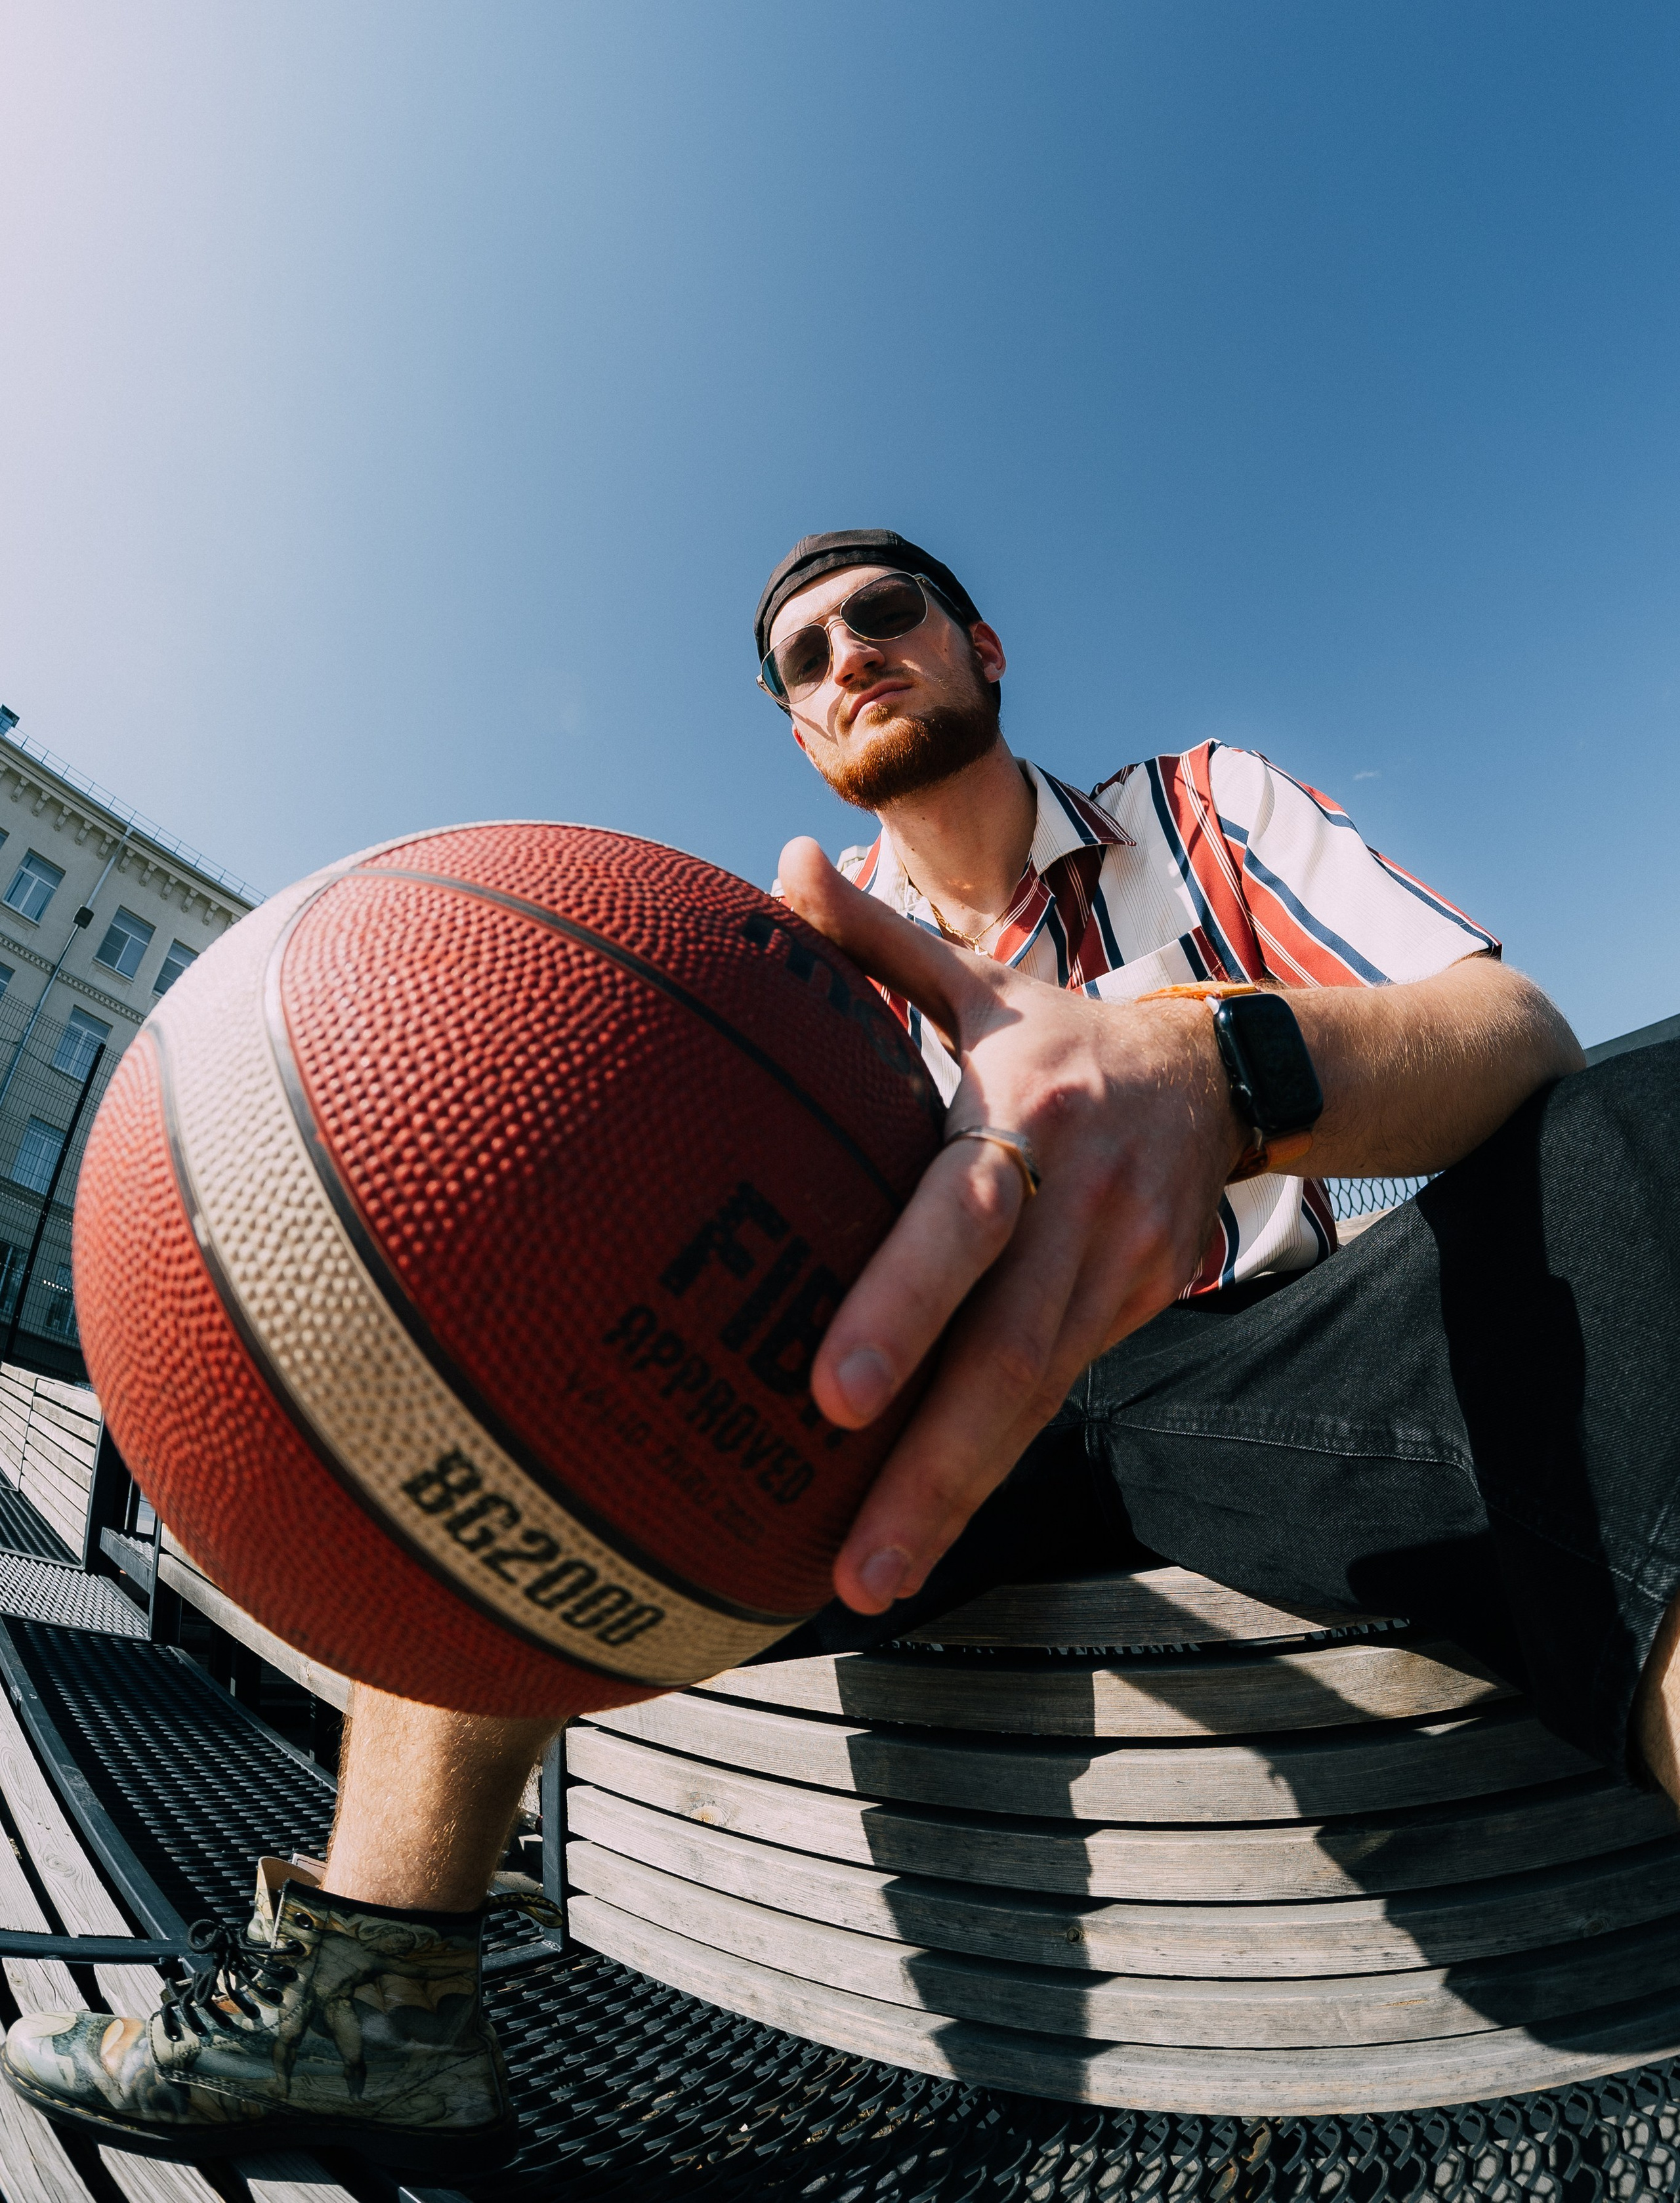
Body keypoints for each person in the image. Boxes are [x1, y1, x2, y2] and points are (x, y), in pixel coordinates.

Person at [9, 528, 1679, 2171]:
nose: (848, 655)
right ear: (803, 738)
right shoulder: (779, 977)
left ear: (982, 650)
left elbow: (1505, 1029)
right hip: (909, 1418)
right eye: (804, 660)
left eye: (885, 615)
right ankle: (369, 2007)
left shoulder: (1197, 808)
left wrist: (1205, 1073)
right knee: (486, 1346)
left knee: (1636, 1122)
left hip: (1260, 1347)